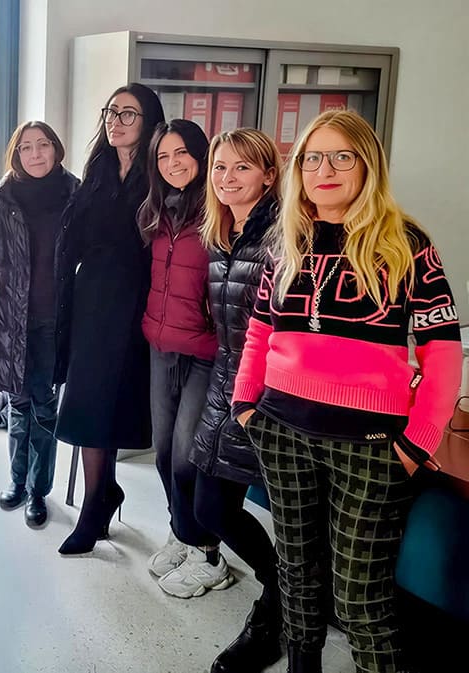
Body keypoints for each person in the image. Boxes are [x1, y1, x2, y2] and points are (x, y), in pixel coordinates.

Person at [234, 109, 462, 673]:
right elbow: (260, 331)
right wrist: (245, 405)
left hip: (370, 446)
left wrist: (417, 442)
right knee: (295, 573)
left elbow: (441, 352)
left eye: (342, 157)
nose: (325, 170)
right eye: (312, 158)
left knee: (360, 597)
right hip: (282, 432)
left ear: (367, 165)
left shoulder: (406, 243)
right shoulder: (286, 239)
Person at [55, 83, 164, 555]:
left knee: (113, 403)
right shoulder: (98, 170)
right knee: (88, 402)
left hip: (137, 303)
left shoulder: (157, 175)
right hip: (92, 302)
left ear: (149, 121)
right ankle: (100, 497)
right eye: (111, 112)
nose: (115, 121)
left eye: (128, 114)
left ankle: (98, 501)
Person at [189, 128, 283, 672]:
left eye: (242, 167)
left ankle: (274, 616)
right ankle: (284, 592)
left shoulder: (281, 238)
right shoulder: (223, 236)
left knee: (293, 520)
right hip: (226, 384)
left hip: (271, 398)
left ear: (269, 175)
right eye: (220, 167)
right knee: (210, 507)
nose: (227, 178)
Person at [137, 119, 233, 597]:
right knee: (161, 451)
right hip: (161, 347)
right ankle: (183, 531)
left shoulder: (219, 213)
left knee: (185, 456)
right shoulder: (155, 212)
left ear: (200, 156)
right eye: (163, 156)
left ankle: (208, 554)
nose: (172, 164)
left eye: (181, 154)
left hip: (205, 353)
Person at [0, 121, 79, 526]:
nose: (35, 154)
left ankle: (38, 490)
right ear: (15, 154)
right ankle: (17, 480)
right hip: (9, 316)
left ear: (56, 149)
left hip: (55, 317)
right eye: (26, 147)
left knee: (45, 406)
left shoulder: (75, 193)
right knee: (18, 402)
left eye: (43, 145)